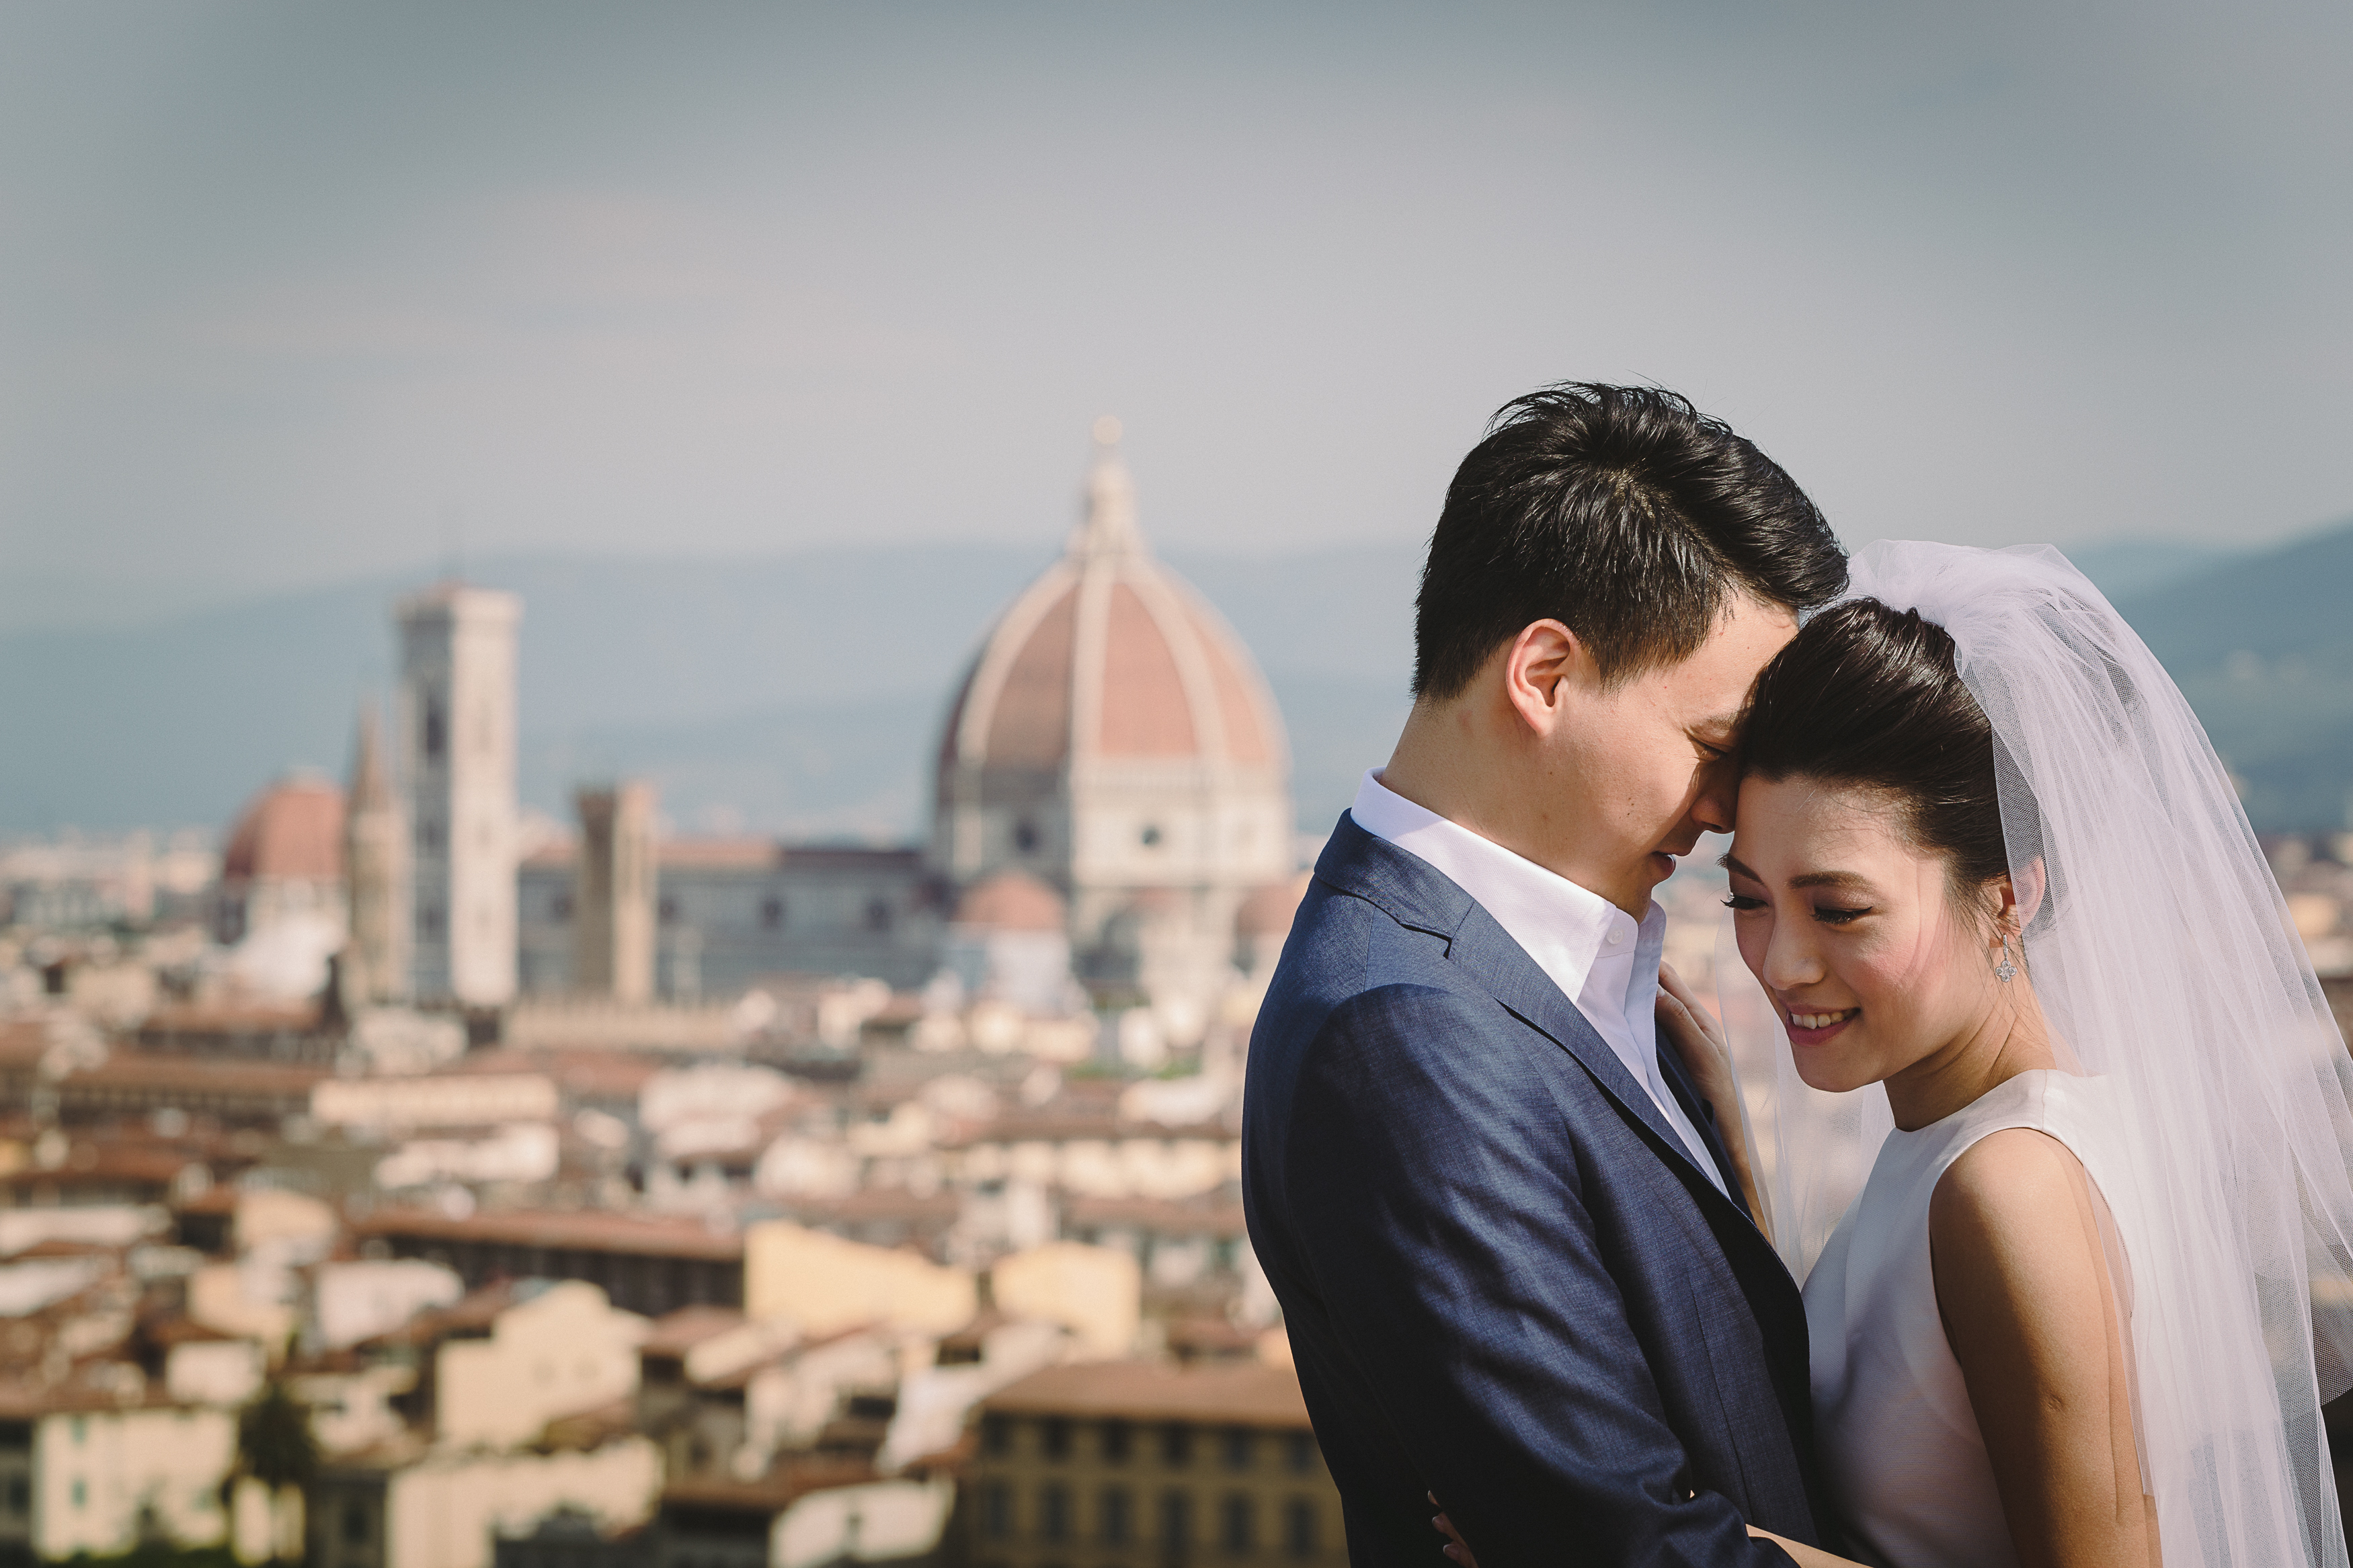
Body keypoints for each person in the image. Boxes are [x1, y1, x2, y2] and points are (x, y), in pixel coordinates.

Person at [1646, 542, 2353, 1568]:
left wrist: (1643, 1549)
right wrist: (1735, 1163)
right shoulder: (1970, 1132)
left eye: (1840, 908)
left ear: (2010, 895)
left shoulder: (2010, 1188)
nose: (1782, 962)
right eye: (1748, 899)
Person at [1241, 382, 1849, 1565]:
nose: (1727, 814)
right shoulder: (1407, 1035)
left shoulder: (1574, 986)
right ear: (1546, 674)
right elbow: (1641, 1551)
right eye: (1715, 749)